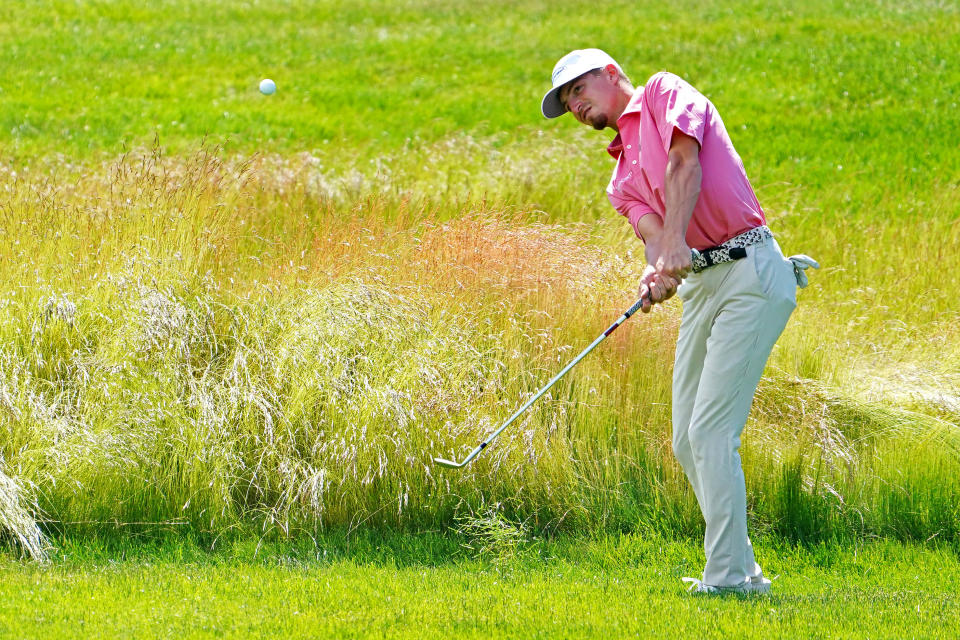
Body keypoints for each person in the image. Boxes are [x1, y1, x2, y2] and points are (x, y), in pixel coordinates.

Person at [541, 49, 817, 595]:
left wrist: (672, 247)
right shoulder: (619, 179)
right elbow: (655, 239)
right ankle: (744, 572)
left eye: (579, 88)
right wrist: (655, 274)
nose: (574, 103)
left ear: (612, 74)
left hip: (750, 272)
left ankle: (728, 579)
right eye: (566, 99)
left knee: (712, 431)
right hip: (702, 286)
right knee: (687, 441)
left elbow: (684, 163)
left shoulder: (664, 92)